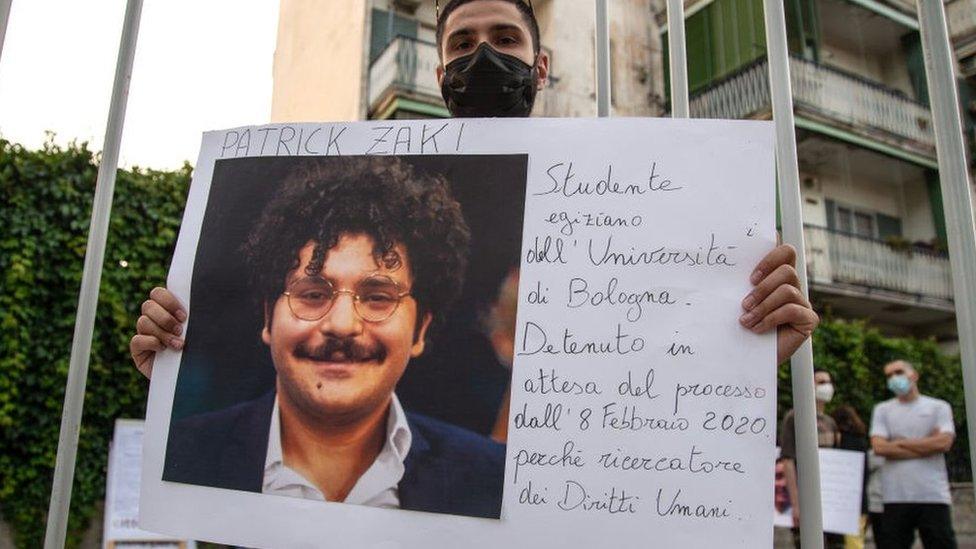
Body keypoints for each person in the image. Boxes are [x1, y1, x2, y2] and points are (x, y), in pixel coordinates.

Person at [131, 0, 819, 388]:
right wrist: (175, 350)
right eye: (463, 42)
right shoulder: (373, 198)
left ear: (540, 65)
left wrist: (745, 350)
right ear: (439, 70)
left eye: (504, 39)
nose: (483, 56)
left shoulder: (632, 200)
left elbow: (653, 376)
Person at [162, 156, 505, 518]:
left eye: (377, 297)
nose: (341, 325)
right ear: (268, 318)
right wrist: (163, 367)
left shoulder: (491, 481)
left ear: (420, 330)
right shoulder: (179, 456)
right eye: (312, 294)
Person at [870, 360, 957, 549]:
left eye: (899, 372)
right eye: (889, 375)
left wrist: (899, 442)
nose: (894, 378)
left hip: (932, 495)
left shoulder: (938, 407)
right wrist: (926, 444)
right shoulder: (883, 410)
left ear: (914, 375)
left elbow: (944, 442)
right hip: (894, 496)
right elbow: (880, 448)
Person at [779, 368, 842, 548]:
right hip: (805, 497)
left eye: (828, 382)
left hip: (830, 500)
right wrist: (796, 503)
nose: (826, 386)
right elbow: (788, 460)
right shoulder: (794, 417)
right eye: (821, 382)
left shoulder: (830, 422)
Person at [831, 404, 870, 549]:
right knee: (855, 542)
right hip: (859, 502)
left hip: (839, 503)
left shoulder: (839, 441)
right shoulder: (861, 441)